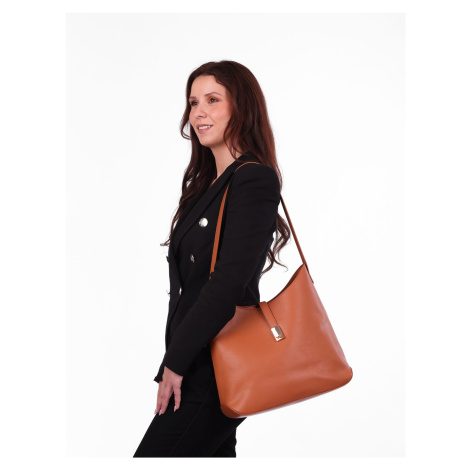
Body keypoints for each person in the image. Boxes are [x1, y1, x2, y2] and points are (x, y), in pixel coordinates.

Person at [133, 60, 290, 457]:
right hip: (198, 362)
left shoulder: (253, 179)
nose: (198, 113)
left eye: (213, 100)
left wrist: (175, 362)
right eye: (193, 102)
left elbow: (227, 283)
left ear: (242, 108)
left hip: (217, 366)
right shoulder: (208, 187)